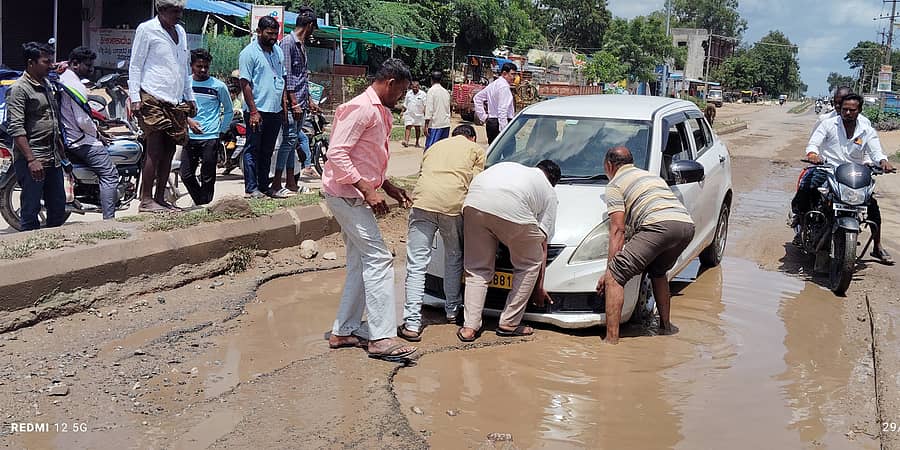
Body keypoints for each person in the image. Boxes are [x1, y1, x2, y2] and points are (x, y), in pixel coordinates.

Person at [321, 59, 418, 362]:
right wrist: (366, 189)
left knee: (361, 262)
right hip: (347, 195)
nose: (401, 98)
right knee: (378, 259)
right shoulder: (361, 108)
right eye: (400, 92)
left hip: (354, 194)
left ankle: (344, 330)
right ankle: (380, 337)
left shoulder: (378, 111)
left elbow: (365, 156)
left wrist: (386, 186)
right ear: (389, 82)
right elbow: (336, 152)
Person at [596, 147, 695, 344]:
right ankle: (665, 327)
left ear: (609, 165)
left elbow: (618, 230)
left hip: (658, 226)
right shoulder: (651, 177)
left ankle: (611, 341)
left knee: (615, 277)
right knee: (658, 272)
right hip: (686, 227)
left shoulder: (615, 185)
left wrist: (610, 271)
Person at [398, 124, 486, 342]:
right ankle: (452, 311)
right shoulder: (476, 150)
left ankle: (411, 324)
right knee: (453, 257)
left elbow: (423, 174)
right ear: (472, 138)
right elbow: (475, 183)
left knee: (416, 264)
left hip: (423, 202)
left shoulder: (434, 147)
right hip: (452, 206)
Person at [457, 160, 560, 342]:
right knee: (529, 263)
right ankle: (509, 323)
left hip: (474, 203)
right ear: (553, 182)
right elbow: (541, 241)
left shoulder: (512, 168)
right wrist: (539, 286)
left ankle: (469, 327)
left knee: (476, 268)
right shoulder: (549, 192)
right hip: (512, 207)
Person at [795, 94, 895, 264]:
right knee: (808, 189)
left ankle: (877, 247)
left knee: (872, 207)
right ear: (840, 109)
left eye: (852, 110)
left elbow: (876, 152)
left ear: (860, 111)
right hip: (829, 169)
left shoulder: (867, 130)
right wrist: (813, 154)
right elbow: (814, 143)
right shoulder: (828, 124)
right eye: (845, 109)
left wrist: (883, 162)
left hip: (854, 173)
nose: (848, 112)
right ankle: (802, 224)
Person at [128, 0, 197, 213]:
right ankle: (146, 199)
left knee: (169, 149)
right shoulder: (146, 29)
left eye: (181, 11)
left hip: (174, 99)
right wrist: (134, 96)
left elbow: (183, 66)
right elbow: (136, 64)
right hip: (151, 95)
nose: (179, 15)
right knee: (154, 148)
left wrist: (190, 95)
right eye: (175, 11)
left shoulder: (181, 32)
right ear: (162, 10)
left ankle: (160, 197)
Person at [6, 42, 67, 231]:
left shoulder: (47, 84)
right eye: (46, 62)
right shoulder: (19, 89)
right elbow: (16, 128)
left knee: (57, 207)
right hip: (33, 159)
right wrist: (31, 160)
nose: (50, 65)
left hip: (53, 158)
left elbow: (53, 121)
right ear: (31, 63)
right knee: (30, 210)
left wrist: (62, 153)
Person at [58, 46, 119, 219]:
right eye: (88, 65)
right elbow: (83, 121)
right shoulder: (76, 85)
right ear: (75, 64)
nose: (91, 70)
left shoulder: (64, 77)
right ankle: (109, 219)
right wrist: (98, 134)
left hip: (70, 136)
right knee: (110, 175)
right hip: (80, 140)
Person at [272, 6, 318, 198]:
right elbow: (287, 76)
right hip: (292, 104)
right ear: (309, 25)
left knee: (292, 142)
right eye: (314, 27)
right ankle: (276, 183)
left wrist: (308, 99)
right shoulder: (288, 43)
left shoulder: (301, 44)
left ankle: (291, 182)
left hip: (301, 100)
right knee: (288, 141)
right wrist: (294, 103)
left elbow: (301, 77)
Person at [239, 15, 285, 199]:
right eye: (269, 33)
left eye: (276, 33)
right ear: (259, 32)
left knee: (268, 150)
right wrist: (254, 111)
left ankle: (264, 187)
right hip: (256, 111)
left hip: (274, 110)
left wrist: (283, 107)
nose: (273, 37)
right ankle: (251, 188)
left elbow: (282, 79)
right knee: (252, 149)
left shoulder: (278, 52)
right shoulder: (248, 53)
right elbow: (245, 83)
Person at [182, 49, 233, 206]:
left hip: (210, 136)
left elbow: (229, 110)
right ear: (192, 66)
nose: (203, 70)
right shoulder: (185, 85)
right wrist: (188, 121)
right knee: (186, 174)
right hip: (189, 136)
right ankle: (201, 202)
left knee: (208, 176)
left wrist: (220, 131)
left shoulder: (218, 86)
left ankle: (204, 205)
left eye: (206, 66)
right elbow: (177, 108)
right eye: (199, 66)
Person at [473, 62, 517, 144]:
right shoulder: (504, 87)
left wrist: (483, 117)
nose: (514, 77)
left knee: (494, 153)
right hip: (501, 123)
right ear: (504, 73)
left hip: (492, 122)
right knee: (509, 154)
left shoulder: (493, 85)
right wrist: (504, 130)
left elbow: (477, 98)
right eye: (512, 74)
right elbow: (502, 110)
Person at [424, 71, 451, 150]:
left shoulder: (431, 91)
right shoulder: (446, 92)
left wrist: (426, 125)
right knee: (441, 148)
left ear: (431, 80)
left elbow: (429, 109)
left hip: (435, 125)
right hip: (445, 124)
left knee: (431, 148)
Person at [402, 81, 426, 147]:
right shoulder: (409, 93)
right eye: (413, 87)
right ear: (411, 86)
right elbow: (405, 104)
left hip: (418, 115)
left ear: (419, 87)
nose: (414, 88)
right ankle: (406, 141)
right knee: (408, 126)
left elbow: (425, 105)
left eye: (416, 87)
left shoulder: (423, 94)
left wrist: (425, 114)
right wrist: (402, 111)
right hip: (409, 113)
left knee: (417, 128)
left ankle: (417, 142)